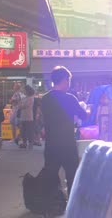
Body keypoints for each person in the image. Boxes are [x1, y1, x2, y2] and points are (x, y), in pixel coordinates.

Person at [41, 66, 87, 196]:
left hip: (51, 144)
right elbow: (83, 116)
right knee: (72, 174)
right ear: (66, 80)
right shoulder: (70, 98)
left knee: (51, 174)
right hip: (67, 143)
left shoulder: (45, 99)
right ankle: (72, 203)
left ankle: (52, 204)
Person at [18, 85, 35, 149]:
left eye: (24, 90)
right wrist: (20, 104)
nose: (23, 91)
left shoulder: (30, 98)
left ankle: (30, 143)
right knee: (23, 131)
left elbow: (24, 106)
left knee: (29, 130)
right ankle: (24, 143)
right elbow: (20, 105)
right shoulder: (25, 98)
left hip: (28, 116)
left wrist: (20, 105)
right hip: (23, 116)